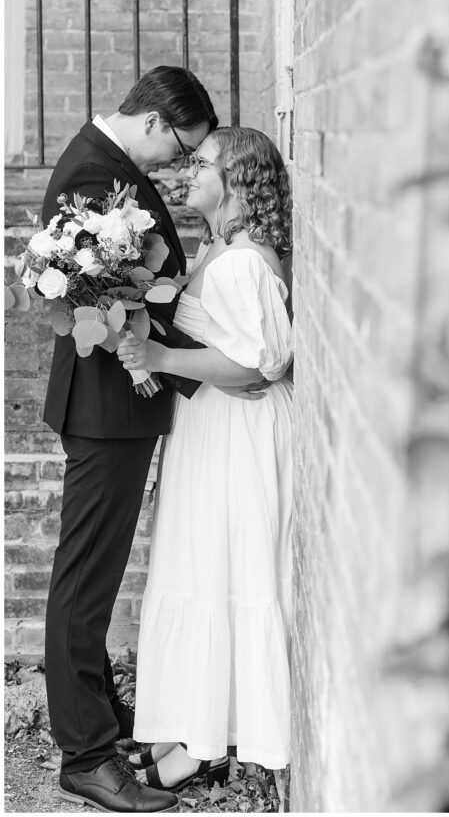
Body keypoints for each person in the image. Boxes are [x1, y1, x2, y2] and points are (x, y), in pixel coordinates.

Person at [42, 67, 261, 813]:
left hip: (123, 406)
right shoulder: (94, 175)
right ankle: (86, 756)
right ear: (159, 122)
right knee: (85, 582)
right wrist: (188, 365)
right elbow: (86, 299)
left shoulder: (107, 168)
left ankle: (101, 725)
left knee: (94, 579)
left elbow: (132, 288)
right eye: (182, 150)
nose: (175, 168)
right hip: (107, 407)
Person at [116, 126, 293, 791]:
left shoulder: (246, 261)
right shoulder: (216, 246)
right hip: (211, 427)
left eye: (205, 163)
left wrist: (161, 358)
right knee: (200, 566)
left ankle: (207, 745)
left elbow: (257, 364)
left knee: (227, 570)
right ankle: (197, 731)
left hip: (239, 436)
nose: (190, 171)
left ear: (240, 185)